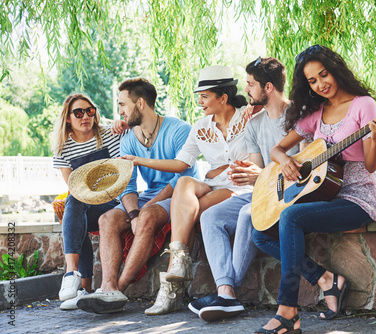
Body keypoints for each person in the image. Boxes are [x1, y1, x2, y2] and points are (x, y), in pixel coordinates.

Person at [252, 45, 376, 334]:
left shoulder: (364, 105)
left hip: (358, 196)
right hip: (325, 193)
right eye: (312, 81)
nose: (320, 84)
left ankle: (287, 312)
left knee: (291, 217)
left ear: (335, 70)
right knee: (260, 233)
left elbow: (372, 165)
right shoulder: (317, 112)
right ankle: (326, 278)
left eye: (323, 75)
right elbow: (277, 149)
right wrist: (286, 161)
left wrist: (375, 138)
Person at [120, 66, 253, 316]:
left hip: (241, 186)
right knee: (183, 183)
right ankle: (179, 260)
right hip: (214, 184)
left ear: (222, 97)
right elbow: (181, 165)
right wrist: (139, 161)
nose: (199, 102)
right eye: (198, 96)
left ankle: (172, 288)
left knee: (190, 215)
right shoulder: (201, 127)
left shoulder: (249, 117)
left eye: (204, 96)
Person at [190, 57, 300, 322]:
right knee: (210, 215)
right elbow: (258, 172)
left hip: (292, 192)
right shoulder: (253, 123)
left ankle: (226, 294)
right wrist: (250, 175)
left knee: (246, 215)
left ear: (269, 87)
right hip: (262, 192)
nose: (246, 90)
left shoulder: (299, 116)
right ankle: (225, 292)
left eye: (250, 84)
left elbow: (300, 169)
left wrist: (258, 175)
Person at [76, 77, 198, 314]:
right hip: (148, 196)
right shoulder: (129, 137)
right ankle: (107, 287)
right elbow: (127, 184)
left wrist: (144, 211)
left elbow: (180, 178)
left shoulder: (179, 129)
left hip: (180, 194)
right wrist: (133, 214)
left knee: (148, 216)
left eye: (123, 104)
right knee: (106, 219)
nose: (119, 111)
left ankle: (118, 291)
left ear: (140, 103)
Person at [52, 93, 126, 310]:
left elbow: (122, 175)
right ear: (68, 118)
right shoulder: (62, 148)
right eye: (78, 112)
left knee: (75, 207)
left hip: (114, 201)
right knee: (75, 205)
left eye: (89, 110)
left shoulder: (109, 135)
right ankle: (81, 287)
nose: (85, 116)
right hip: (86, 203)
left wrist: (123, 123)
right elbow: (74, 187)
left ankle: (74, 278)